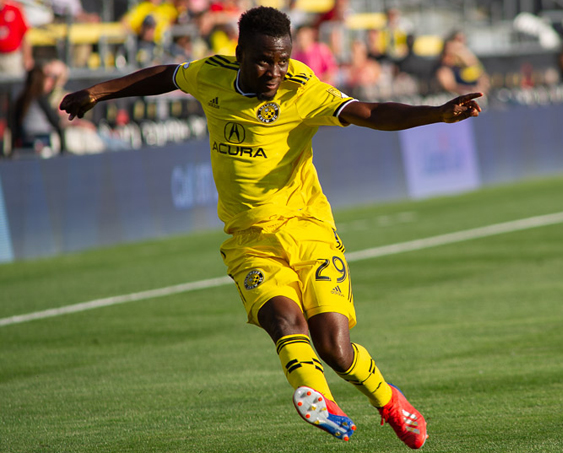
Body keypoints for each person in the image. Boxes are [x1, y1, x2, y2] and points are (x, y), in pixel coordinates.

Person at [60, 6, 481, 449]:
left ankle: (389, 401)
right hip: (249, 241)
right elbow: (167, 75)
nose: (274, 72)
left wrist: (436, 113)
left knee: (334, 347)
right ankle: (320, 401)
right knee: (283, 319)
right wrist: (98, 92)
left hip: (308, 229)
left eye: (282, 60)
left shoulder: (303, 89)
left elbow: (371, 112)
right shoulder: (212, 74)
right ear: (239, 52)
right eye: (263, 60)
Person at [0, 0, 33, 77]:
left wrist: (27, 56)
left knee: (14, 84)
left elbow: (25, 35)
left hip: (12, 57)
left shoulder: (14, 9)